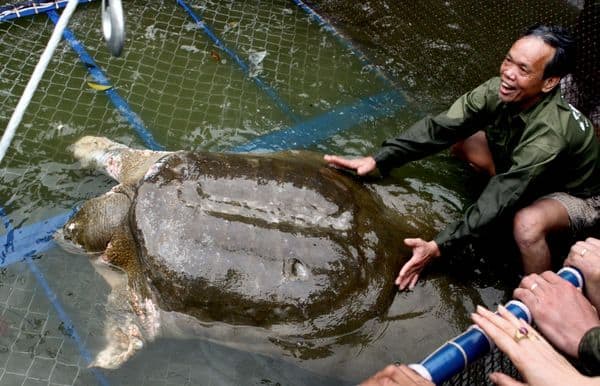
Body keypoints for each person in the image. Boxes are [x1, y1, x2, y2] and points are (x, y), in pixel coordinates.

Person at [324, 24, 600, 290]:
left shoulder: (550, 131)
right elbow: (441, 128)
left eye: (523, 70)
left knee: (526, 225)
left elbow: (505, 191)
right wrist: (379, 159)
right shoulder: (499, 89)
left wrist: (438, 246)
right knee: (461, 141)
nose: (508, 74)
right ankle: (494, 212)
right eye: (508, 60)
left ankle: (542, 294)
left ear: (549, 82)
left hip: (577, 195)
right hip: (528, 162)